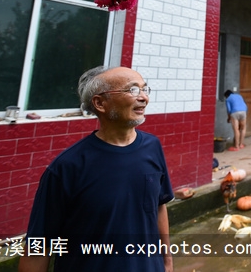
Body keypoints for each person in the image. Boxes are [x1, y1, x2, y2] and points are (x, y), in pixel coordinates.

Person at [19, 66, 174, 272]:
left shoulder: (152, 147)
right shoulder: (67, 167)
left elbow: (159, 205)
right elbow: (39, 245)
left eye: (144, 89)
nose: (144, 97)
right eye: (133, 90)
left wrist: (166, 262)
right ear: (100, 103)